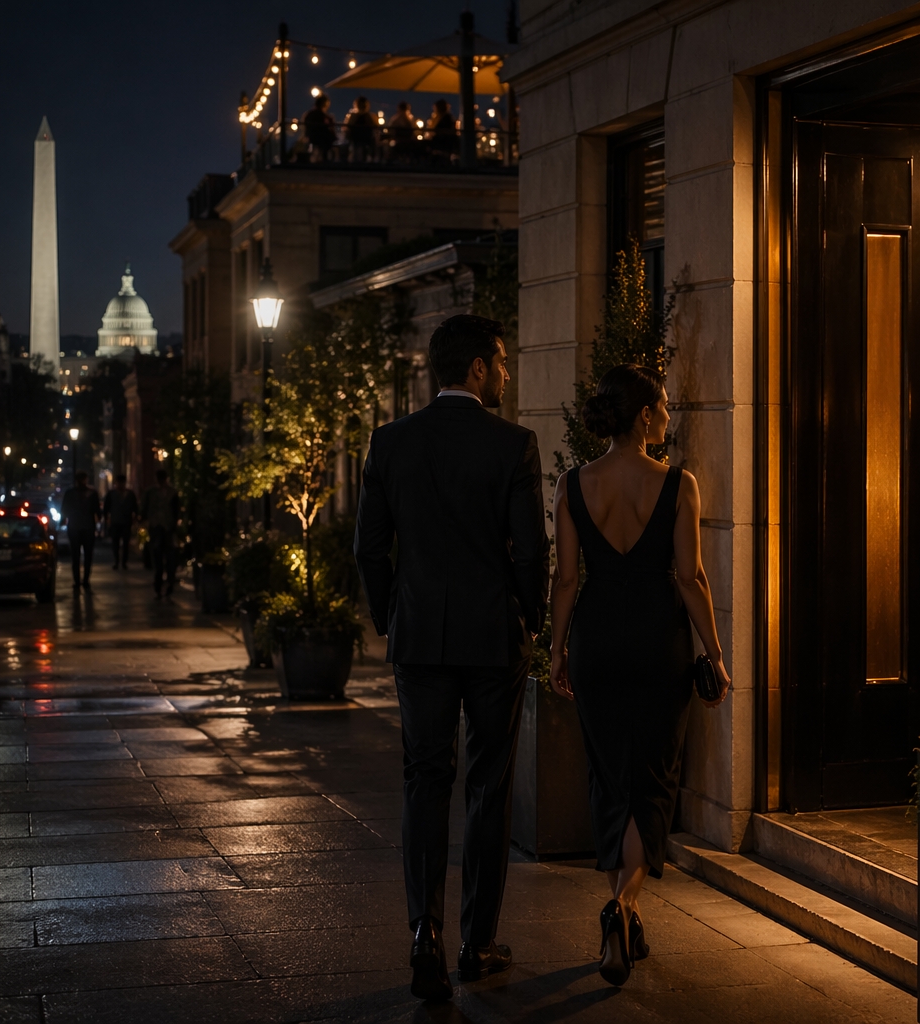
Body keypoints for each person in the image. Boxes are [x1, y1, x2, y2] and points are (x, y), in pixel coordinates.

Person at [355, 314, 549, 1002]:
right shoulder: (514, 445)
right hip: (493, 638)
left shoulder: (391, 443)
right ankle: (476, 941)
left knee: (424, 781)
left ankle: (422, 935)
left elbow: (370, 550)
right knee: (488, 788)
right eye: (499, 363)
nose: (504, 374)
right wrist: (533, 618)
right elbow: (531, 551)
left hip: (421, 641)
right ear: (474, 368)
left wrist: (393, 616)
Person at [547, 364, 732, 987]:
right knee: (652, 779)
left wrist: (557, 650)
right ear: (645, 415)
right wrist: (716, 652)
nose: (670, 415)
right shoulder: (680, 484)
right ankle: (623, 907)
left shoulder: (573, 484)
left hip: (598, 640)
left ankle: (624, 917)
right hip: (660, 643)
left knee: (609, 776)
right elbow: (690, 578)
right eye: (665, 406)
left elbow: (566, 579)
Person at [140, 468, 180, 598]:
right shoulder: (151, 492)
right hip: (157, 526)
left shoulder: (172, 492)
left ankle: (167, 583)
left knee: (169, 557)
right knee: (158, 556)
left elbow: (177, 509)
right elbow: (144, 508)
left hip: (167, 527)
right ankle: (159, 584)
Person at [59, 472, 102, 589]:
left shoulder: (71, 493)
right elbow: (97, 510)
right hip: (85, 526)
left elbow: (64, 509)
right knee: (86, 555)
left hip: (76, 526)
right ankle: (84, 580)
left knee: (76, 555)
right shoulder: (91, 493)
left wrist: (62, 521)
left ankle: (79, 580)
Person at [103, 474, 138, 569]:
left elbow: (135, 507)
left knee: (125, 543)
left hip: (126, 521)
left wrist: (135, 518)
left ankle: (123, 562)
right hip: (115, 521)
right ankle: (117, 561)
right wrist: (106, 519)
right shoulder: (111, 494)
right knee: (116, 543)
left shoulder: (130, 494)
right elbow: (106, 508)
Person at [301, 94, 338, 161]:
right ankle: (325, 161)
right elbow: (327, 127)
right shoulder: (324, 116)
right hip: (322, 138)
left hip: (312, 137)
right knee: (326, 149)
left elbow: (306, 126)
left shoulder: (309, 114)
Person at [345, 96, 379, 162]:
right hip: (367, 138)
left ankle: (354, 161)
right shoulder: (370, 116)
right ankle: (372, 159)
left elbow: (347, 127)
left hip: (355, 138)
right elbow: (376, 126)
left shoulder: (352, 116)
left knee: (356, 148)